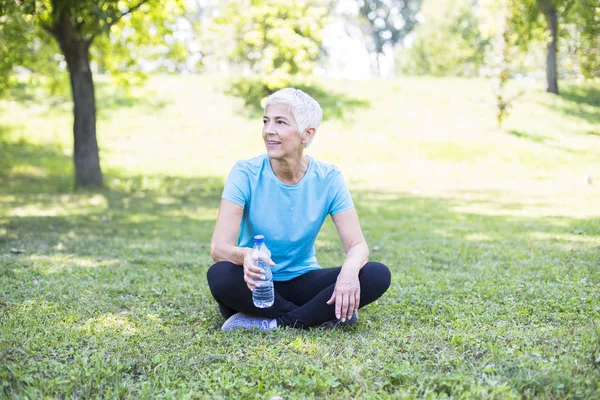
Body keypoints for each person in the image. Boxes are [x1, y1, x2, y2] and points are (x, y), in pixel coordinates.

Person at [207, 87, 391, 330]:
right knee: (220, 275)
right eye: (266, 121)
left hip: (303, 281)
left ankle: (276, 323)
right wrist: (245, 255)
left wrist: (348, 273)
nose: (268, 130)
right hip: (257, 284)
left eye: (280, 122)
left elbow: (358, 246)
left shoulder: (329, 178)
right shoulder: (245, 173)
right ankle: (321, 314)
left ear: (307, 133)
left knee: (376, 274)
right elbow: (219, 247)